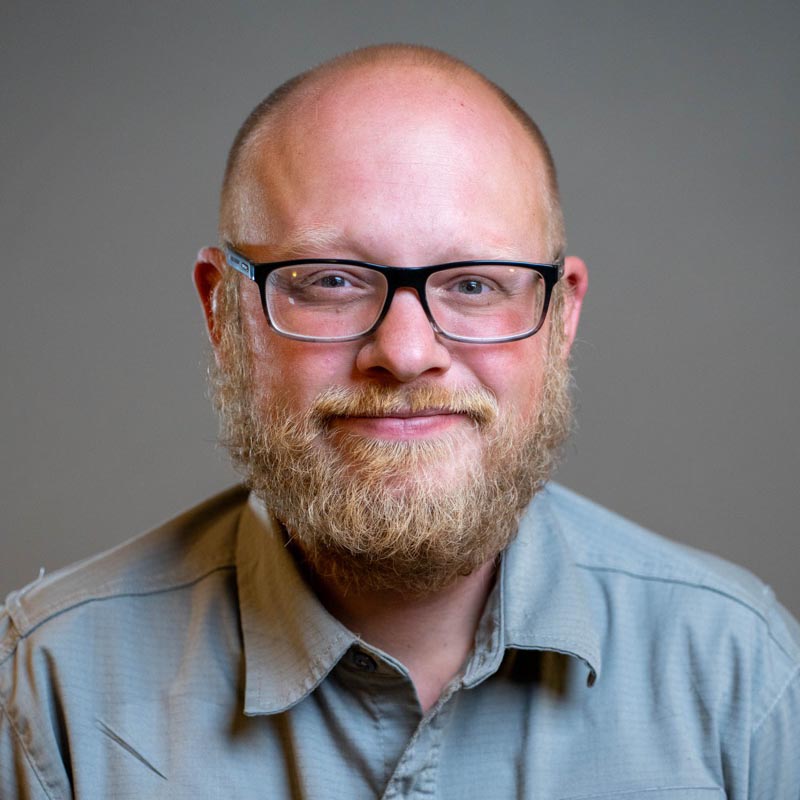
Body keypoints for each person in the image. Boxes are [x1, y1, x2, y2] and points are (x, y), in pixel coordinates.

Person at [1, 44, 798, 799]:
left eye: (475, 285)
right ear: (223, 310)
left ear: (562, 315)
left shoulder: (740, 673)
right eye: (332, 280)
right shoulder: (46, 689)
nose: (407, 352)